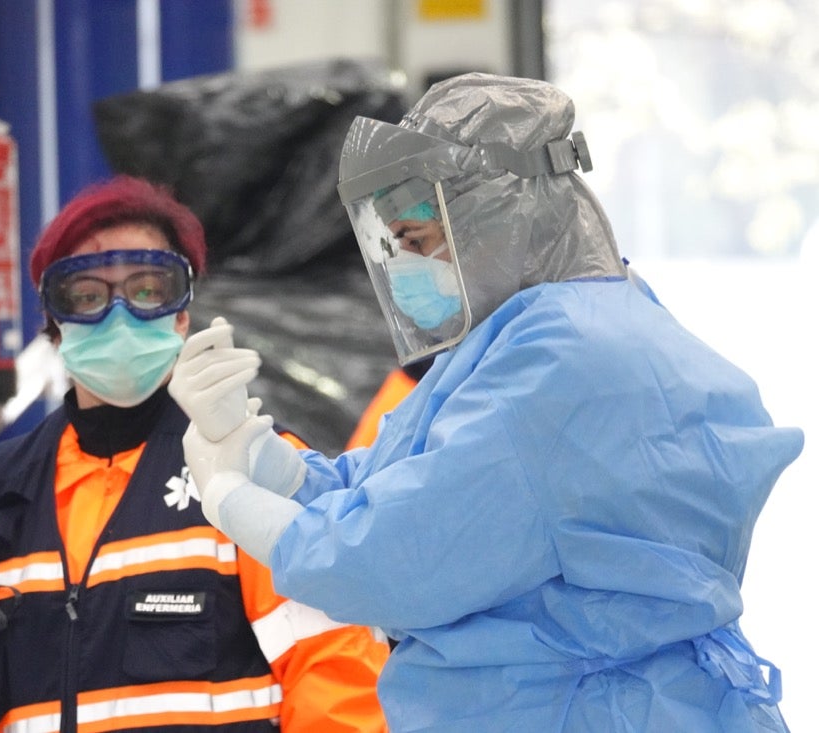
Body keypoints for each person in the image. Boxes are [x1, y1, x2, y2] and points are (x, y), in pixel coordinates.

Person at [166, 73, 805, 732]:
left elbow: (386, 557)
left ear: (497, 219)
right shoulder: (551, 331)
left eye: (418, 240)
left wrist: (227, 495)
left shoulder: (562, 360)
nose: (406, 265)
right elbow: (392, 485)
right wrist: (259, 452)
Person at [0, 175, 389, 732]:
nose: (118, 316)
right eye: (87, 296)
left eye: (148, 290)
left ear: (182, 313)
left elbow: (337, 677)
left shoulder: (251, 467)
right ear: (54, 322)